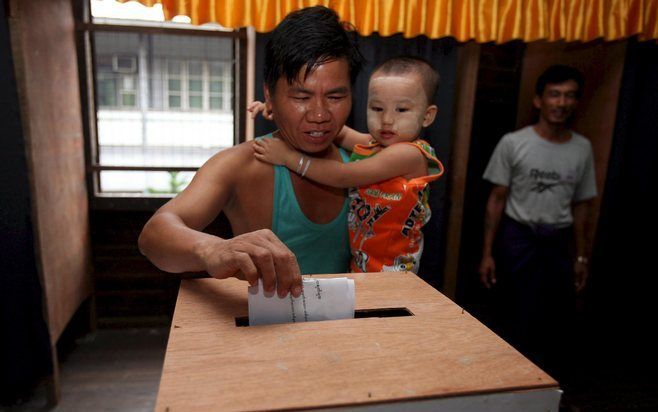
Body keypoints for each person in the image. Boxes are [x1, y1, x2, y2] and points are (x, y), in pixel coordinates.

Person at [138, 6, 364, 298]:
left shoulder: (366, 163)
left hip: (353, 334)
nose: (319, 114)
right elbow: (154, 235)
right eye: (301, 96)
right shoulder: (241, 165)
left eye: (335, 96)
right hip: (267, 337)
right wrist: (215, 249)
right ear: (269, 95)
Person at [252, 56, 445, 274]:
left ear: (427, 116)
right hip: (364, 261)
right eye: (377, 108)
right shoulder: (376, 145)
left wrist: (289, 158)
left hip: (392, 270)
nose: (387, 120)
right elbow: (337, 131)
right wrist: (283, 112)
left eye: (401, 110)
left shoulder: (408, 154)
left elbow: (344, 176)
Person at [478, 65, 597, 379]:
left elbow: (583, 204)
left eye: (569, 96)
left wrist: (582, 256)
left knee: (556, 317)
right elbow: (496, 199)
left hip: (559, 240)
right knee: (514, 312)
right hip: (518, 237)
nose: (561, 102)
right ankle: (508, 381)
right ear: (538, 100)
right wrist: (488, 253)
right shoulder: (514, 143)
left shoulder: (581, 148)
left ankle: (546, 384)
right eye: (554, 94)